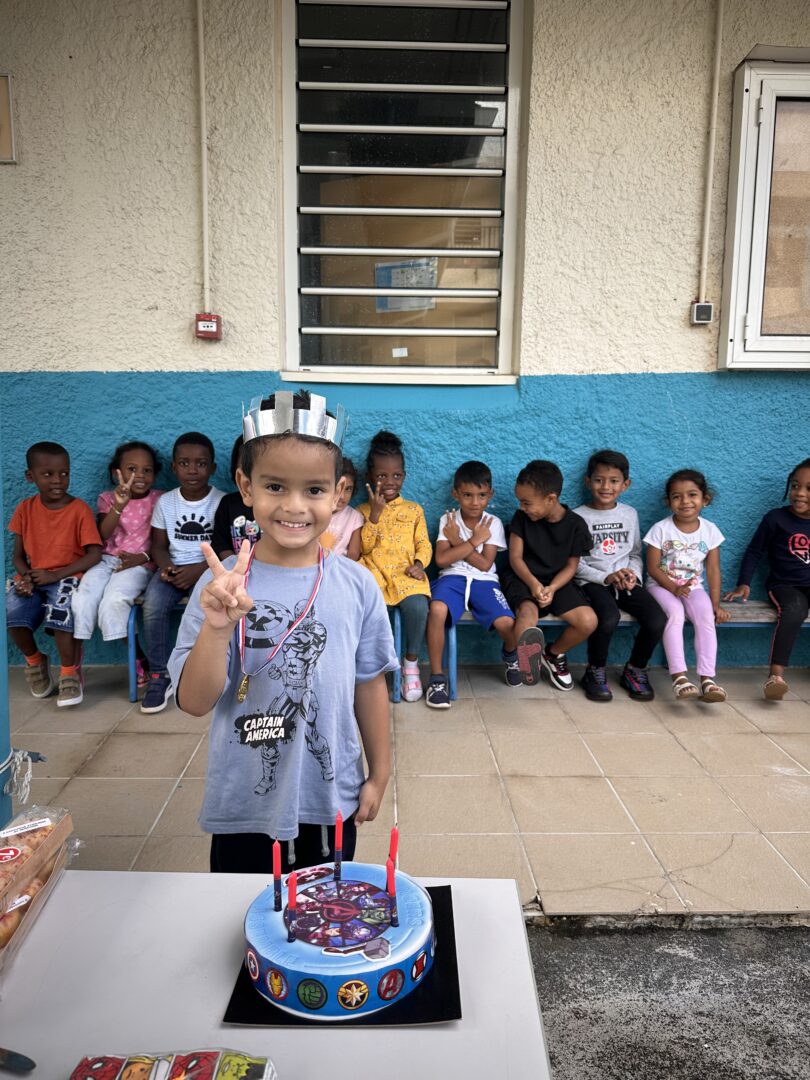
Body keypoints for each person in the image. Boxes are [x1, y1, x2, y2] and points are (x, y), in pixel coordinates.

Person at [167, 390, 397, 874]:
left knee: (325, 910)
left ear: (339, 493)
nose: (294, 506)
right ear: (245, 487)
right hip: (244, 808)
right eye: (275, 486)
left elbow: (370, 683)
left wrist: (379, 774)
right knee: (244, 912)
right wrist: (217, 629)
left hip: (331, 801)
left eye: (314, 490)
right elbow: (193, 703)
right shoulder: (220, 588)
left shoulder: (357, 585)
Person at [6, 441, 102, 707]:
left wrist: (54, 576)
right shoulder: (25, 509)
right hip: (34, 577)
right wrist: (26, 577)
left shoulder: (79, 509)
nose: (58, 480)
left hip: (68, 577)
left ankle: (69, 673)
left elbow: (94, 554)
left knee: (62, 612)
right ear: (30, 476)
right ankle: (35, 661)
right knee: (12, 611)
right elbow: (17, 556)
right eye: (47, 474)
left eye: (64, 473)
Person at [140, 432, 224, 713]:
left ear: (212, 468)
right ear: (174, 467)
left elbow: (223, 547)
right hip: (173, 569)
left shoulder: (221, 502)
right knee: (152, 606)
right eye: (184, 463)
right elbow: (158, 546)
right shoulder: (166, 502)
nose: (192, 470)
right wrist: (166, 567)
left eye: (201, 463)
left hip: (208, 568)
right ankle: (159, 675)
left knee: (215, 609)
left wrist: (198, 571)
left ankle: (206, 672)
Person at [574, 449, 666, 702]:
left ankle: (635, 669)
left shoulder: (629, 514)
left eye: (614, 481)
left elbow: (635, 553)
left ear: (626, 484)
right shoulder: (578, 516)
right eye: (599, 480)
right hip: (593, 581)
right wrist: (606, 577)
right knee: (608, 618)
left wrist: (632, 575)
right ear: (588, 481)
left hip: (625, 581)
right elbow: (576, 564)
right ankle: (595, 671)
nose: (606, 487)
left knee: (657, 619)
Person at [425, 460, 517, 708]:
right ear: (456, 494)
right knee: (437, 609)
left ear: (490, 494)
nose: (475, 502)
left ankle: (511, 654)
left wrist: (458, 543)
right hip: (451, 578)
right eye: (467, 495)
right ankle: (437, 678)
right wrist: (474, 541)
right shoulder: (449, 521)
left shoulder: (492, 523)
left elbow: (485, 564)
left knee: (507, 624)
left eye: (481, 495)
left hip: (484, 582)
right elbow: (442, 560)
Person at [72, 441, 162, 689]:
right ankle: (73, 663)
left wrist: (143, 558)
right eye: (132, 469)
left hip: (140, 563)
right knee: (83, 597)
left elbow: (163, 542)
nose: (140, 476)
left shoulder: (160, 499)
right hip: (106, 559)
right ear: (116, 473)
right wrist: (119, 505)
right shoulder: (107, 498)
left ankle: (138, 658)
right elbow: (101, 535)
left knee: (114, 600)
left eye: (147, 470)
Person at [499, 459, 596, 691]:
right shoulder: (521, 518)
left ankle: (552, 654)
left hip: (558, 582)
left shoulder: (576, 525)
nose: (522, 507)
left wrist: (552, 588)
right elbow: (515, 558)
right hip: (523, 578)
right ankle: (523, 662)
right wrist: (534, 584)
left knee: (588, 621)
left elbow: (571, 566)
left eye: (526, 502)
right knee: (527, 615)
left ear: (550, 499)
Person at [724, 457, 810, 700]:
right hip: (785, 586)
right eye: (795, 486)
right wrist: (744, 583)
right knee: (794, 610)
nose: (799, 493)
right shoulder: (776, 518)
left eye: (808, 488)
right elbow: (754, 551)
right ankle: (776, 677)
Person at [357, 430, 432, 702]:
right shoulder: (362, 511)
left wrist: (419, 564)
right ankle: (372, 665)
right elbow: (363, 548)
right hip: (375, 575)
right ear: (370, 477)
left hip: (406, 575)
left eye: (396, 475)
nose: (389, 482)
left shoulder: (414, 510)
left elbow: (424, 544)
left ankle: (410, 663)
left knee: (418, 607)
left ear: (404, 476)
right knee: (368, 610)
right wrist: (375, 516)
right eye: (382, 476)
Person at [644, 469, 730, 702]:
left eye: (692, 495)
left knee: (705, 617)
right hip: (661, 586)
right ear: (668, 501)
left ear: (705, 499)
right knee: (675, 614)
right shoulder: (661, 529)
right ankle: (679, 677)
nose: (685, 501)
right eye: (677, 496)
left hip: (693, 588)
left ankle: (708, 679)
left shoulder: (710, 531)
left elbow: (713, 570)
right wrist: (673, 588)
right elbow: (653, 568)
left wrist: (715, 604)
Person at [211, 435, 261, 561]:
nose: (252, 468)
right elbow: (220, 543)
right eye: (246, 462)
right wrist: (236, 566)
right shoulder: (228, 503)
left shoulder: (280, 505)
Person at [321, 457, 363, 559]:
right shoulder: (316, 511)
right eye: (337, 488)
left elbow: (353, 555)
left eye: (348, 489)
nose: (342, 496)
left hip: (338, 566)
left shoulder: (354, 518)